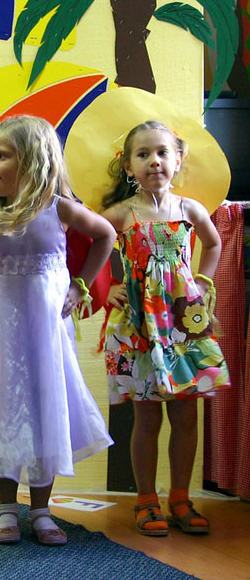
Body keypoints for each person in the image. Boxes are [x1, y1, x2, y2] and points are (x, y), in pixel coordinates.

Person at [0, 115, 115, 546]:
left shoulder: (58, 208)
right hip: (7, 333)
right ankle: (6, 509)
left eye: (1, 156)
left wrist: (80, 286)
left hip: (48, 335)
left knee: (46, 410)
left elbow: (105, 235)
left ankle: (40, 510)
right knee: (8, 408)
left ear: (33, 161)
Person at [101, 120, 229, 536]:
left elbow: (213, 244)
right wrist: (109, 287)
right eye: (143, 154)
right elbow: (85, 247)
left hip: (181, 321)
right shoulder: (120, 214)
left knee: (186, 414)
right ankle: (145, 500)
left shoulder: (190, 209)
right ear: (128, 167)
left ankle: (179, 497)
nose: (153, 161)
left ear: (178, 159)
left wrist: (203, 283)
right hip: (140, 324)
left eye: (162, 152)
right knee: (147, 417)